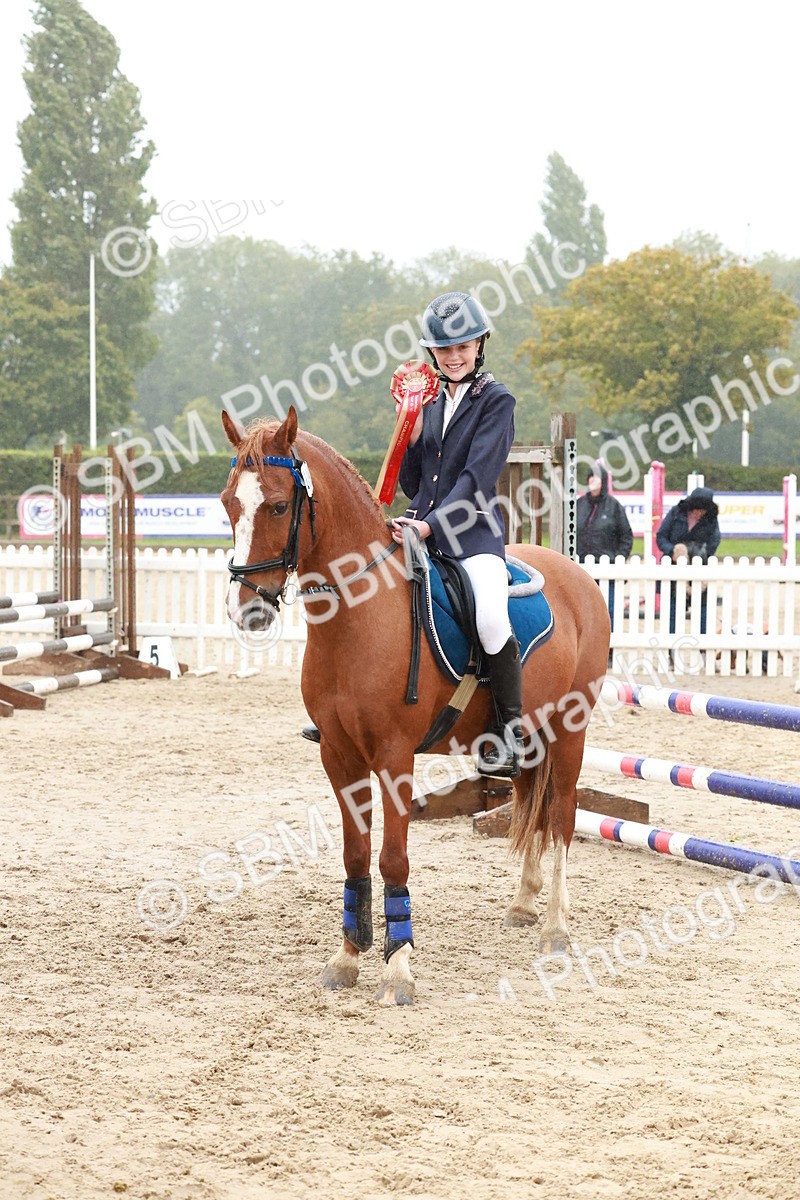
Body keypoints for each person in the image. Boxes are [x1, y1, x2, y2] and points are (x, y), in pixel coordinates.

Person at [303, 291, 524, 778]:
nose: (454, 356)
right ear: (432, 354)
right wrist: (412, 430)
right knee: (363, 595)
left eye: (463, 346)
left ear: (480, 345)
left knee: (491, 617)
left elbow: (476, 478)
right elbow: (413, 481)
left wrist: (430, 524)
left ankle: (510, 732)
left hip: (471, 535)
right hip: (417, 528)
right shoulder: (428, 401)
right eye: (444, 349)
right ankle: (345, 710)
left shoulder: (497, 400)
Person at [656, 486, 721, 634]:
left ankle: (702, 643)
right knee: (672, 609)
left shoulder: (711, 520)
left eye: (703, 510)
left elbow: (714, 541)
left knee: (702, 609)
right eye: (697, 509)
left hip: (699, 570)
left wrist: (701, 554)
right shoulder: (676, 513)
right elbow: (661, 536)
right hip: (673, 568)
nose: (699, 513)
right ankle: (671, 642)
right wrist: (672, 551)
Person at [576, 461, 633, 619]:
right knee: (583, 612)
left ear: (604, 481)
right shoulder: (579, 505)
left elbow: (626, 536)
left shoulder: (614, 506)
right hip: (582, 569)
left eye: (597, 477)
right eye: (590, 477)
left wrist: (618, 558)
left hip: (607, 570)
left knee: (607, 612)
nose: (593, 480)